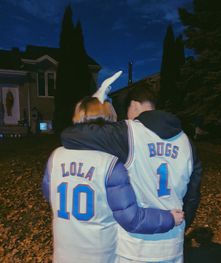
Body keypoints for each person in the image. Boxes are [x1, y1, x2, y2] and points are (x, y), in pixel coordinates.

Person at [43, 72, 184, 263]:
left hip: (63, 253)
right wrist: (168, 218)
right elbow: (131, 217)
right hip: (100, 254)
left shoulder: (56, 156)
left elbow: (48, 193)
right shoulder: (109, 164)